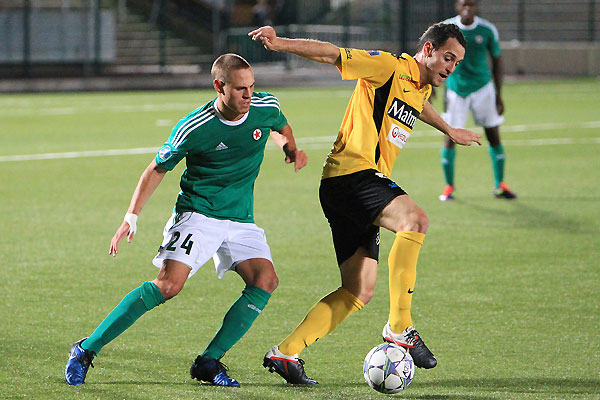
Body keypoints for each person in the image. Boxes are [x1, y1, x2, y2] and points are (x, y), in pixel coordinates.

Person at [248, 24, 481, 384]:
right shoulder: (388, 67)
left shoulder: (416, 86)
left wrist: (448, 129)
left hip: (342, 187)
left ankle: (286, 352)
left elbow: (418, 105)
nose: (452, 67)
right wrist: (278, 44)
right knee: (415, 220)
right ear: (429, 49)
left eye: (458, 62)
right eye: (448, 57)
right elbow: (332, 54)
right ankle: (400, 327)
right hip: (353, 175)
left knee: (358, 290)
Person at [64, 53, 307, 387]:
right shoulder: (195, 127)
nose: (248, 95)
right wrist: (130, 217)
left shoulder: (264, 106)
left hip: (240, 218)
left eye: (252, 87)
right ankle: (85, 350)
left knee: (265, 281)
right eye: (240, 89)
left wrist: (289, 147)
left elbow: (278, 125)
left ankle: (208, 362)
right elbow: (156, 169)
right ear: (219, 86)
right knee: (168, 286)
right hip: (198, 214)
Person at [439, 0, 516, 201]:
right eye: (464, 4)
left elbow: (497, 61)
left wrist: (499, 94)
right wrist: (435, 87)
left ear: (477, 6)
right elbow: (436, 59)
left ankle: (500, 185)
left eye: (471, 4)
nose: (467, 8)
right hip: (456, 90)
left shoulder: (487, 30)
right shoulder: (447, 29)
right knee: (450, 136)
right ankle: (449, 187)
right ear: (457, 6)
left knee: (493, 135)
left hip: (483, 89)